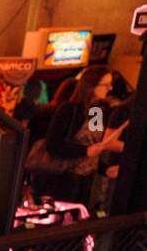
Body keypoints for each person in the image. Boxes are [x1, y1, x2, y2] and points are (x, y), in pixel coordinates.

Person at [35, 67, 125, 206]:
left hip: (85, 181)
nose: (110, 88)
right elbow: (53, 144)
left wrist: (105, 169)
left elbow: (94, 146)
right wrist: (84, 151)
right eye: (106, 84)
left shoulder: (97, 111)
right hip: (62, 178)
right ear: (91, 86)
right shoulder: (69, 109)